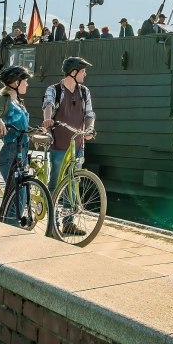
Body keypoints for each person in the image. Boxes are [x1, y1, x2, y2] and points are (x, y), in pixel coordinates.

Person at [42, 56, 97, 235]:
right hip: (59, 143)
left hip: (78, 144)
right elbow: (48, 104)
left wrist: (90, 129)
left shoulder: (84, 92)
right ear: (73, 73)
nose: (85, 75)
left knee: (73, 183)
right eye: (83, 71)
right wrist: (47, 119)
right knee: (55, 182)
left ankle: (68, 223)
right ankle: (52, 219)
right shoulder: (55, 89)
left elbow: (89, 113)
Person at [0, 65, 32, 186]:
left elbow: (23, 127)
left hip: (22, 151)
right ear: (17, 82)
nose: (27, 84)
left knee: (23, 192)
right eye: (25, 81)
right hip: (10, 154)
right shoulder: (3, 100)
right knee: (16, 193)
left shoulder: (19, 102)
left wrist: (37, 132)